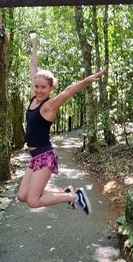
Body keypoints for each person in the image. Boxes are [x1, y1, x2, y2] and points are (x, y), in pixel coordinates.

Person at [17, 33, 106, 215]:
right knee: (22, 196)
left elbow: (67, 92)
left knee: (33, 202)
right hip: (35, 157)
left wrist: (87, 80)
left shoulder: (49, 106)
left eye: (43, 87)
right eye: (37, 86)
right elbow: (33, 66)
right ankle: (66, 193)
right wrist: (35, 45)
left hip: (45, 156)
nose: (39, 90)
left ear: (50, 88)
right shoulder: (34, 97)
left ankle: (74, 197)